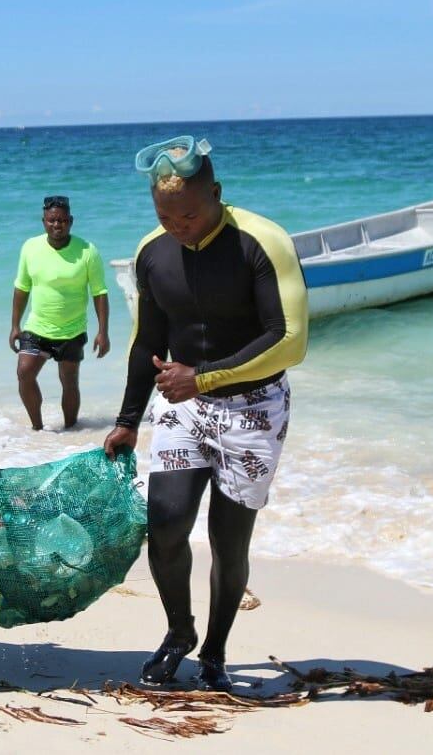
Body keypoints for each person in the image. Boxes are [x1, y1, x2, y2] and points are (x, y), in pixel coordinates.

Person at [102, 136, 308, 691]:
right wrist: (126, 418)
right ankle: (179, 632)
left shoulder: (261, 242)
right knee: (165, 524)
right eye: (165, 215)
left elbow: (289, 340)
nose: (178, 226)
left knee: (227, 541)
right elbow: (148, 338)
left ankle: (215, 650)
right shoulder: (153, 251)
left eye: (190, 213)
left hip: (254, 410)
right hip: (182, 405)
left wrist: (206, 376)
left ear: (216, 194)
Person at [9, 194, 110, 430]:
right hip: (37, 328)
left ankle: (72, 429)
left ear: (71, 221)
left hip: (72, 331)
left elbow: (100, 293)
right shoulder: (30, 247)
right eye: (52, 220)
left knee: (69, 382)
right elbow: (21, 288)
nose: (57, 225)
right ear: (43, 221)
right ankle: (37, 429)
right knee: (24, 373)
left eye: (62, 220)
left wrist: (102, 332)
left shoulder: (87, 251)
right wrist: (15, 325)